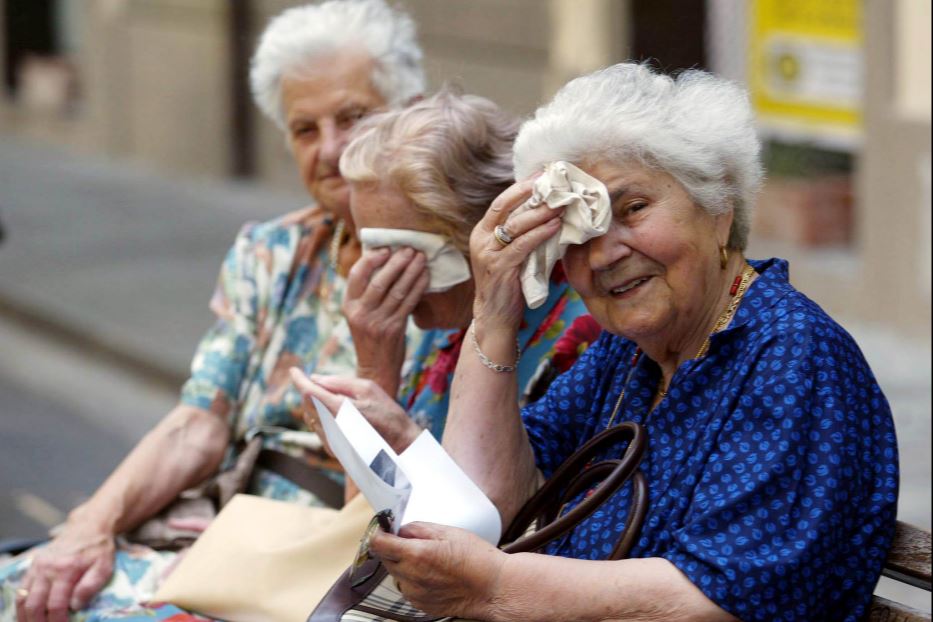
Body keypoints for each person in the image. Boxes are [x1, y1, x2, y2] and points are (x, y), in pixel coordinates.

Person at [364, 64, 899, 622]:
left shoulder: (793, 355)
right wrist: (493, 311)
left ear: (719, 210)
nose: (603, 254)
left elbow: (714, 599)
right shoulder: (629, 353)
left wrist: (495, 588)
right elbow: (492, 501)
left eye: (634, 209)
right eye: (578, 229)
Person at [3, 1, 426, 621]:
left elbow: (404, 499)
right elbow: (198, 422)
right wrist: (87, 527)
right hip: (226, 524)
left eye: (354, 117)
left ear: (408, 116)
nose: (331, 149)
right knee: (29, 585)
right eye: (305, 129)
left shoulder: (447, 276)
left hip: (332, 556)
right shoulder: (274, 250)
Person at [296, 87, 592, 468]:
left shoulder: (581, 338)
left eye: (403, 253)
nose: (374, 274)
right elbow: (369, 516)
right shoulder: (440, 319)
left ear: (491, 226)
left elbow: (496, 518)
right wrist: (376, 371)